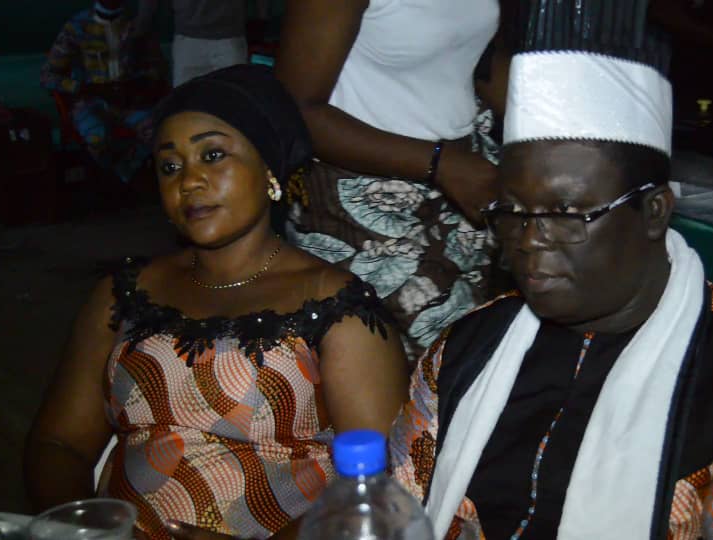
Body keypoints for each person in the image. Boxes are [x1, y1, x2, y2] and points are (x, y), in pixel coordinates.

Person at [388, 15, 713, 540]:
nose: (530, 238)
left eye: (567, 213)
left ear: (654, 211)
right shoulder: (466, 348)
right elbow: (401, 516)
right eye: (513, 212)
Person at [24, 65, 409, 540]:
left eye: (212, 155)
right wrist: (85, 531)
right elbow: (58, 443)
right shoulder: (123, 292)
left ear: (270, 171)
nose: (189, 181)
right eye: (170, 166)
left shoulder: (336, 306)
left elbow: (382, 486)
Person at [273, 0, 503, 360]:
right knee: (400, 364)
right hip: (363, 200)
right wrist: (440, 164)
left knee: (468, 351)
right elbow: (294, 109)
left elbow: (476, 64)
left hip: (462, 187)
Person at [42, 0, 168, 182]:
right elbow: (48, 76)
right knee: (96, 137)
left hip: (130, 101)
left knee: (159, 132)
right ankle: (113, 176)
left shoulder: (136, 25)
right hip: (90, 100)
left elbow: (158, 68)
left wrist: (139, 84)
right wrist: (86, 88)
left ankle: (125, 172)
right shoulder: (78, 26)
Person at [135, 0, 270, 87]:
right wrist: (261, 20)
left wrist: (140, 29)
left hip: (195, 39)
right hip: (222, 39)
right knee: (229, 107)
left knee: (188, 108)